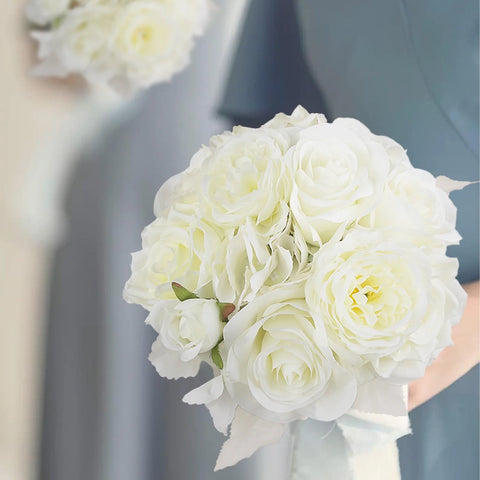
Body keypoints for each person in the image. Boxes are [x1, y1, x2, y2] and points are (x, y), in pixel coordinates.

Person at [219, 0, 479, 478]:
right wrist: (255, 267)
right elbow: (273, 131)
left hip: (446, 349)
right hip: (364, 350)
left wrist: (467, 328)